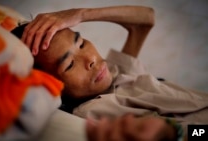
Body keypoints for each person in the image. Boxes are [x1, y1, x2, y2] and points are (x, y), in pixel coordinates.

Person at [11, 5, 208, 140]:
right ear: (53, 86)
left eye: (81, 43)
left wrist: (81, 14)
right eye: (70, 65)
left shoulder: (111, 75)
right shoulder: (93, 112)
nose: (91, 60)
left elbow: (145, 20)